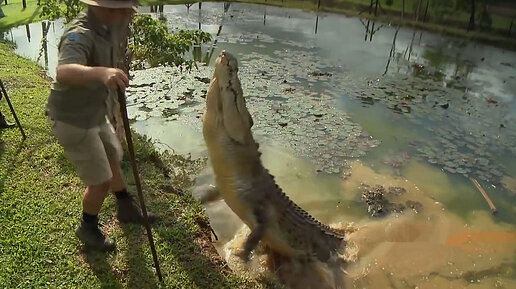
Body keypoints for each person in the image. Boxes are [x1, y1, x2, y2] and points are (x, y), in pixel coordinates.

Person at [46, 0, 156, 252]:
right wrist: (101, 73)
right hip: (72, 118)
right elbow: (64, 71)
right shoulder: (80, 33)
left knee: (113, 156)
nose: (130, 13)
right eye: (125, 9)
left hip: (94, 112)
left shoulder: (107, 28)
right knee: (100, 180)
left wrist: (113, 73)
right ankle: (88, 227)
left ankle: (126, 207)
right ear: (107, 9)